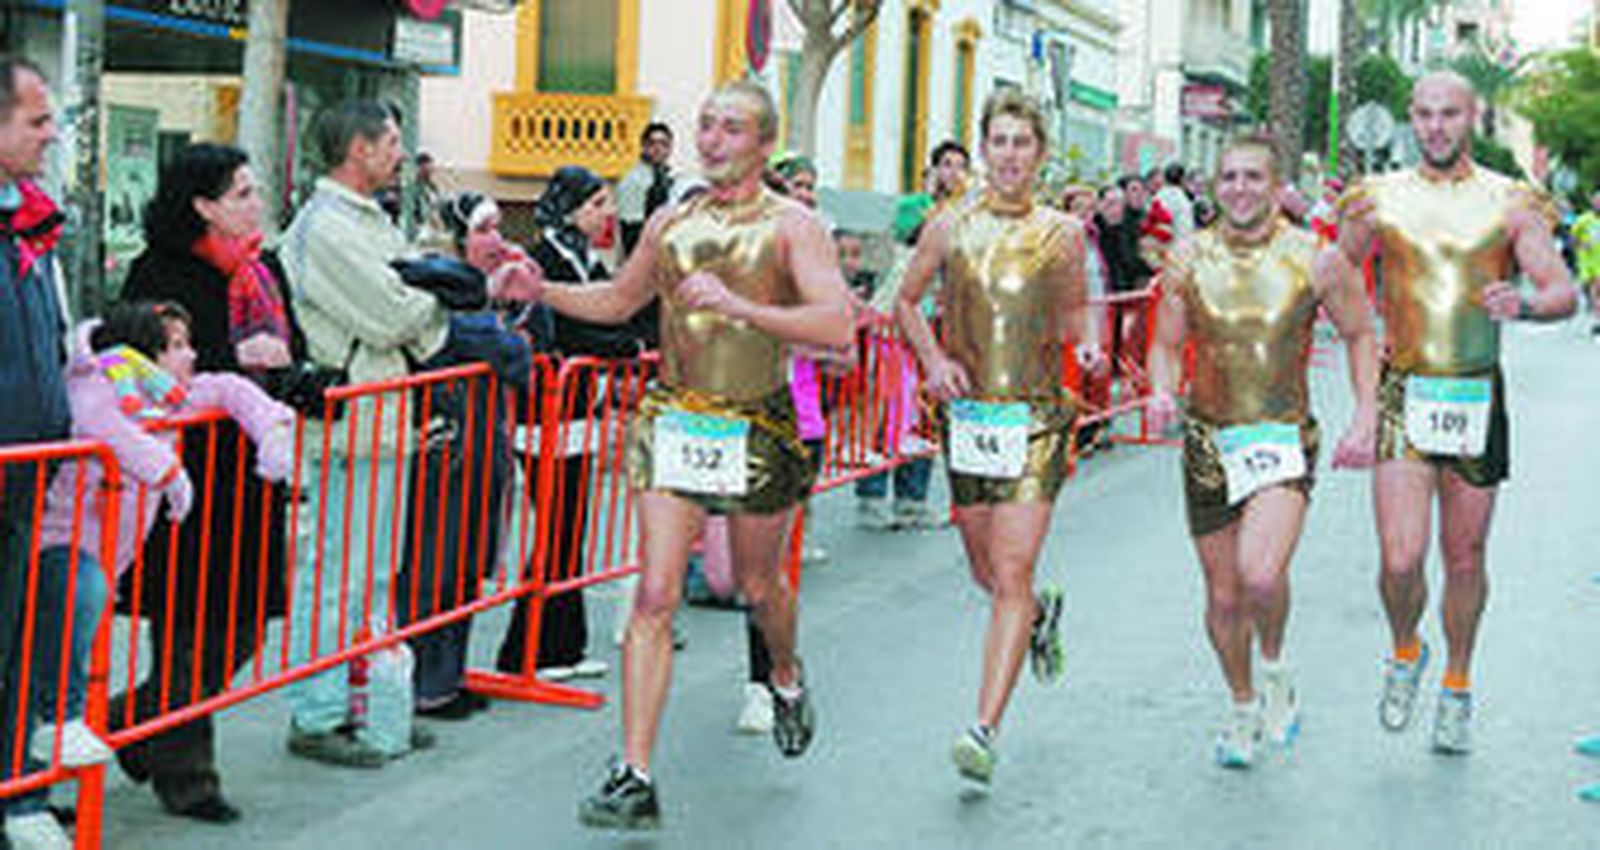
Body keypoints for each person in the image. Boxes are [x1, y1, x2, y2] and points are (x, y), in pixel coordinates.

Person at [532, 80, 852, 830]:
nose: (711, 139)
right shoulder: (671, 222)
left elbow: (837, 324)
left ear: (763, 142)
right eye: (704, 125)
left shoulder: (793, 225)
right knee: (653, 595)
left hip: (759, 425)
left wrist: (742, 307)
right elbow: (618, 301)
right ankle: (634, 774)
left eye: (730, 127)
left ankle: (785, 674)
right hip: (675, 418)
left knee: (756, 585)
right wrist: (537, 287)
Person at [1337, 71, 1578, 755]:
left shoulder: (1509, 199)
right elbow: (1333, 273)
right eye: (1425, 114)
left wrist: (1524, 304)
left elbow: (1561, 290)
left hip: (1476, 391)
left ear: (1472, 116)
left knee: (1464, 557)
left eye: (1450, 113)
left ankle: (1458, 683)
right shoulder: (1378, 198)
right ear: (1411, 118)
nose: (1436, 125)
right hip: (1403, 388)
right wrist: (1362, 327)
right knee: (1400, 556)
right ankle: (1406, 648)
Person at [1147, 134, 1380, 768]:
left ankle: (1274, 665)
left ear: (1278, 188)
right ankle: (1244, 706)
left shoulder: (1316, 259)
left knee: (1259, 574)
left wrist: (1365, 412)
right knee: (1223, 597)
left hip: (1281, 439)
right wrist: (1162, 392)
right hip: (1206, 440)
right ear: (1214, 185)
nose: (1240, 189)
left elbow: (1361, 334)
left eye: (1254, 177)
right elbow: (1166, 344)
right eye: (1229, 177)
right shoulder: (1186, 258)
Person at [894, 90, 1099, 787]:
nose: (1010, 155)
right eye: (999, 141)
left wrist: (1094, 351)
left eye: (1022, 142)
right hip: (971, 421)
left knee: (1009, 570)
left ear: (1040, 153)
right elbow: (904, 302)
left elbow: (1077, 313)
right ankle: (1041, 613)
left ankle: (982, 729)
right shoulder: (949, 225)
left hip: (1037, 419)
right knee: (987, 572)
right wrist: (933, 359)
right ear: (984, 150)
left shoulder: (1063, 234)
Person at [33, 301, 292, 803]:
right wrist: (168, 472)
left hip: (107, 551)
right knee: (56, 648)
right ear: (141, 352)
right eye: (176, 346)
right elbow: (99, 423)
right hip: (58, 544)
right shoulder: (98, 384)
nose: (190, 354)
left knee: (68, 646)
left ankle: (49, 768)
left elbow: (228, 388)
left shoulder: (160, 393)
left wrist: (272, 433)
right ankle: (54, 736)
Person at [112, 142, 303, 822]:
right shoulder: (159, 273)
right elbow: (144, 371)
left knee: (246, 624)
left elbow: (291, 348)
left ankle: (131, 724)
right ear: (203, 205)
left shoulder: (258, 267)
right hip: (182, 480)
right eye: (243, 192)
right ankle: (187, 775)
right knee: (191, 624)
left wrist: (290, 374)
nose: (257, 202)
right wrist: (232, 363)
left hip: (250, 474)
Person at [279, 100, 453, 767]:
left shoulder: (367, 219)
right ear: (357, 148)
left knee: (374, 573)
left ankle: (366, 698)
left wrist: (427, 296)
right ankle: (316, 713)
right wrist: (435, 296)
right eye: (390, 142)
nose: (399, 154)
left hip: (386, 418)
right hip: (352, 422)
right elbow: (395, 314)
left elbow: (419, 297)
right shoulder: (326, 227)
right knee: (335, 573)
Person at [397, 190, 534, 720]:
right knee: (434, 562)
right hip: (445, 448)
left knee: (468, 562)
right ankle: (424, 681)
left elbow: (527, 346)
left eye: (499, 228)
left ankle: (448, 677)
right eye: (484, 230)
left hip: (480, 447)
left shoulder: (486, 293)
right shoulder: (436, 285)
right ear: (455, 238)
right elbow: (511, 353)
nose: (497, 240)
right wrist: (500, 321)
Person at [497, 167, 636, 684]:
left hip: (577, 410)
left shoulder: (583, 255)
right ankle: (529, 652)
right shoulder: (543, 257)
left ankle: (558, 646)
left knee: (568, 530)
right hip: (545, 415)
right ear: (572, 205)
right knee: (557, 529)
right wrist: (629, 347)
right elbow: (574, 330)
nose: (608, 213)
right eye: (599, 202)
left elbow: (610, 311)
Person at [0, 55, 77, 850]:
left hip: (28, 470)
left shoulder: (35, 223)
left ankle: (18, 791)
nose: (52, 135)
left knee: (17, 636)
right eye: (36, 120)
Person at [615, 122, 674, 258]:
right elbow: (631, 235)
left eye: (664, 144)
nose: (658, 149)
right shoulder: (633, 181)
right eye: (652, 144)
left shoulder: (666, 177)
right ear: (643, 147)